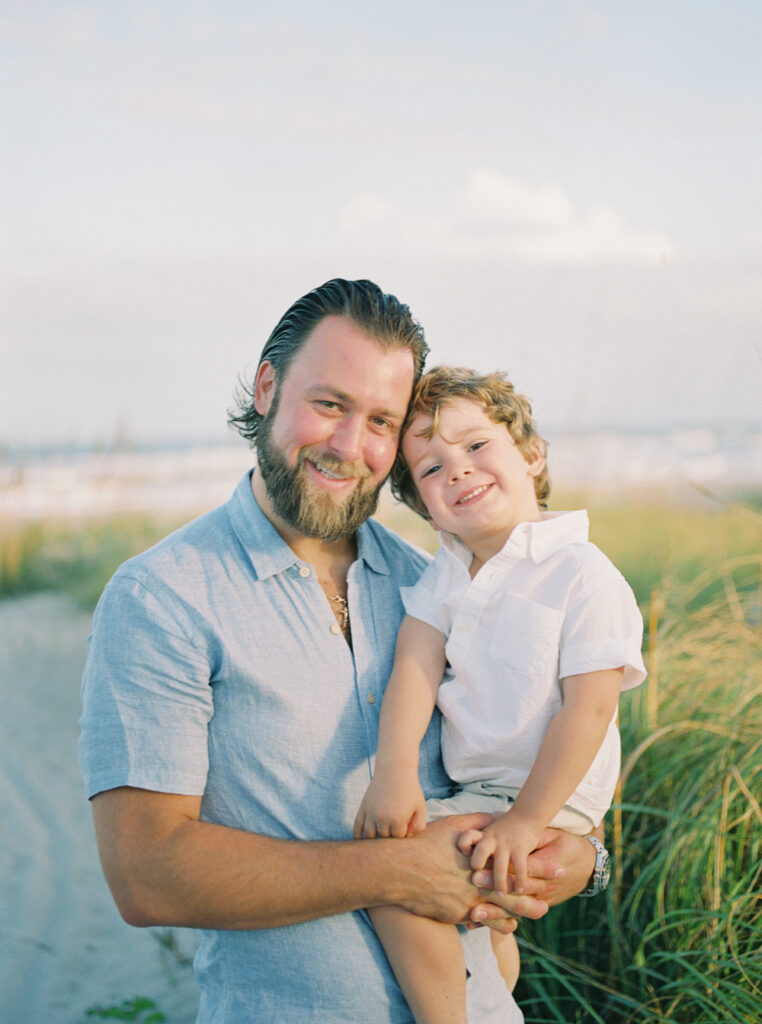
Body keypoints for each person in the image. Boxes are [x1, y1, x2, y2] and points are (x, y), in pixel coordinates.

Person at [79, 280, 599, 1024]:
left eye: (382, 421)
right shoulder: (161, 597)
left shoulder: (439, 590)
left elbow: (526, 765)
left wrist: (583, 862)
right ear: (267, 387)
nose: (351, 447)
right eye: (329, 404)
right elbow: (146, 875)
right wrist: (399, 872)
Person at [354, 366, 646, 1023]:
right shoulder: (447, 573)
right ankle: (489, 986)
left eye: (476, 445)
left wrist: (526, 821)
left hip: (545, 798)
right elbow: (414, 669)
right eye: (430, 468)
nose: (456, 469)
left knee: (389, 879)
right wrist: (395, 773)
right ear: (421, 502)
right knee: (468, 913)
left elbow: (591, 709)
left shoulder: (582, 573)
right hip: (484, 792)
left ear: (532, 455)